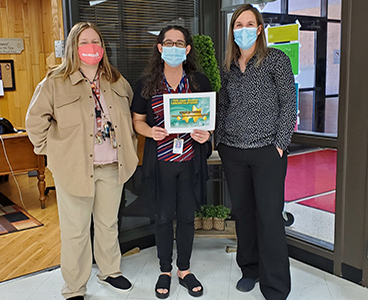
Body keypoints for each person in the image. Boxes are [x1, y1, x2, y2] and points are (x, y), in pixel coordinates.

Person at [26, 22, 138, 300]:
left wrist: (131, 147)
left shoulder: (116, 81)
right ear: (73, 47)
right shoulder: (54, 82)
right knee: (76, 232)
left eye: (95, 41)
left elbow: (130, 119)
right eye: (84, 42)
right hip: (74, 170)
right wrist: (52, 152)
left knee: (108, 224)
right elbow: (34, 121)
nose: (91, 47)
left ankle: (110, 271)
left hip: (112, 166)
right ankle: (74, 287)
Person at [216, 4, 297, 300]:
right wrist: (220, 141)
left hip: (267, 152)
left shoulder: (276, 60)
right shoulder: (228, 65)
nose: (244, 29)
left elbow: (289, 103)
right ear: (232, 30)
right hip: (233, 152)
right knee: (245, 215)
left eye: (250, 24)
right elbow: (223, 105)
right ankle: (250, 270)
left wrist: (279, 144)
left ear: (260, 29)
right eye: (239, 24)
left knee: (270, 218)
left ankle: (275, 286)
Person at [131, 25, 212, 299]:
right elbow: (137, 122)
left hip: (191, 162)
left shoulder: (200, 82)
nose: (174, 48)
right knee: (164, 217)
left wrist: (205, 134)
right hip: (162, 164)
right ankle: (165, 269)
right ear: (160, 48)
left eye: (180, 43)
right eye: (169, 42)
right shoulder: (145, 85)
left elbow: (209, 122)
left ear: (187, 49)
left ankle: (184, 270)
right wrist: (150, 132)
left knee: (187, 217)